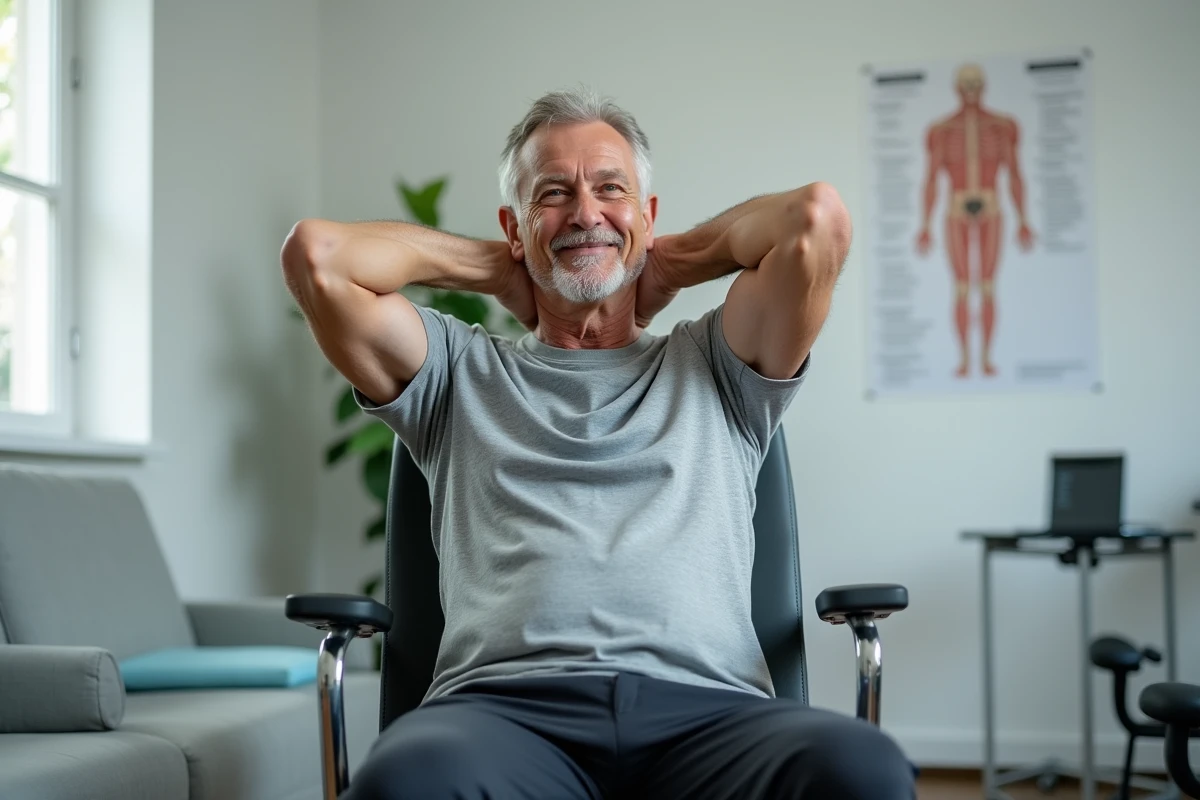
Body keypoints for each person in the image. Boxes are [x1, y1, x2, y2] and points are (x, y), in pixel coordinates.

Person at [282, 87, 914, 799]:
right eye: (552, 194)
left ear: (647, 216)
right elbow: (318, 257)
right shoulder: (457, 372)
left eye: (611, 190)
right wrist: (501, 271)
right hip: (503, 716)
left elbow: (816, 222)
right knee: (406, 782)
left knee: (862, 770)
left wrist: (669, 264)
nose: (585, 212)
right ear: (514, 228)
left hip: (710, 713)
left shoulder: (719, 365)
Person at [916, 63, 1035, 378]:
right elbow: (930, 180)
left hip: (991, 209)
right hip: (956, 210)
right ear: (957, 88)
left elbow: (1015, 174)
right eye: (966, 84)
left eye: (976, 84)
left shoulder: (1003, 126)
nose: (971, 91)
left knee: (987, 285)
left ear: (984, 87)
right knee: (961, 288)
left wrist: (1024, 218)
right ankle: (965, 360)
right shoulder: (940, 131)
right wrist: (925, 225)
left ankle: (985, 359)